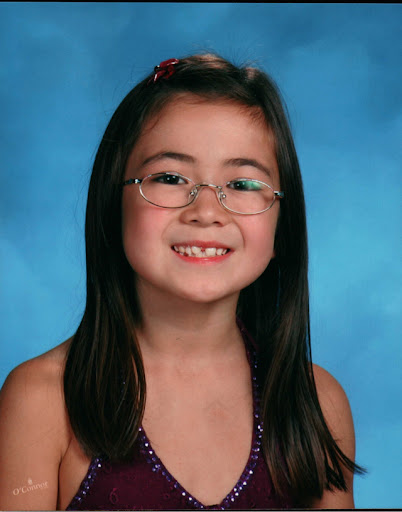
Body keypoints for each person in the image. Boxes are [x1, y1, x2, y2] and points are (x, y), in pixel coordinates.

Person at [0, 53, 364, 510]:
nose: (206, 211)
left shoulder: (316, 403)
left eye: (243, 184)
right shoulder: (43, 399)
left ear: (281, 228)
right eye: (170, 178)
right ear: (113, 205)